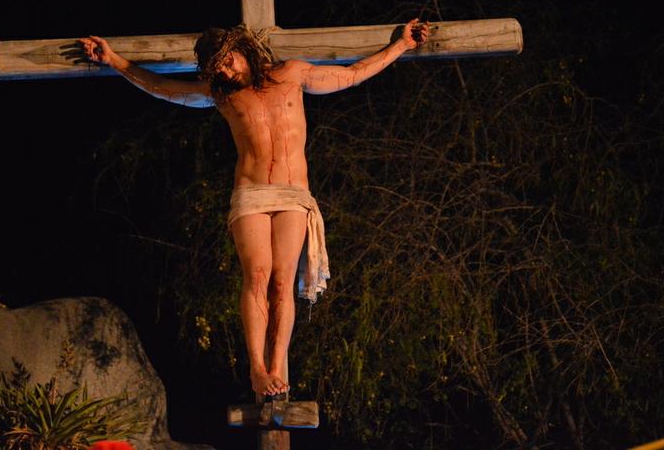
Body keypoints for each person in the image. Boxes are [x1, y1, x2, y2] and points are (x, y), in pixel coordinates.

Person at [80, 19, 430, 396]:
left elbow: (352, 74)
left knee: (283, 282)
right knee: (258, 276)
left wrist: (401, 46)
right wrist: (115, 60)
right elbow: (163, 87)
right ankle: (257, 370)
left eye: (228, 61)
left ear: (241, 48)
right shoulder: (223, 96)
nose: (227, 71)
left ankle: (278, 368)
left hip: (294, 193)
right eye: (219, 70)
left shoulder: (292, 74)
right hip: (251, 194)